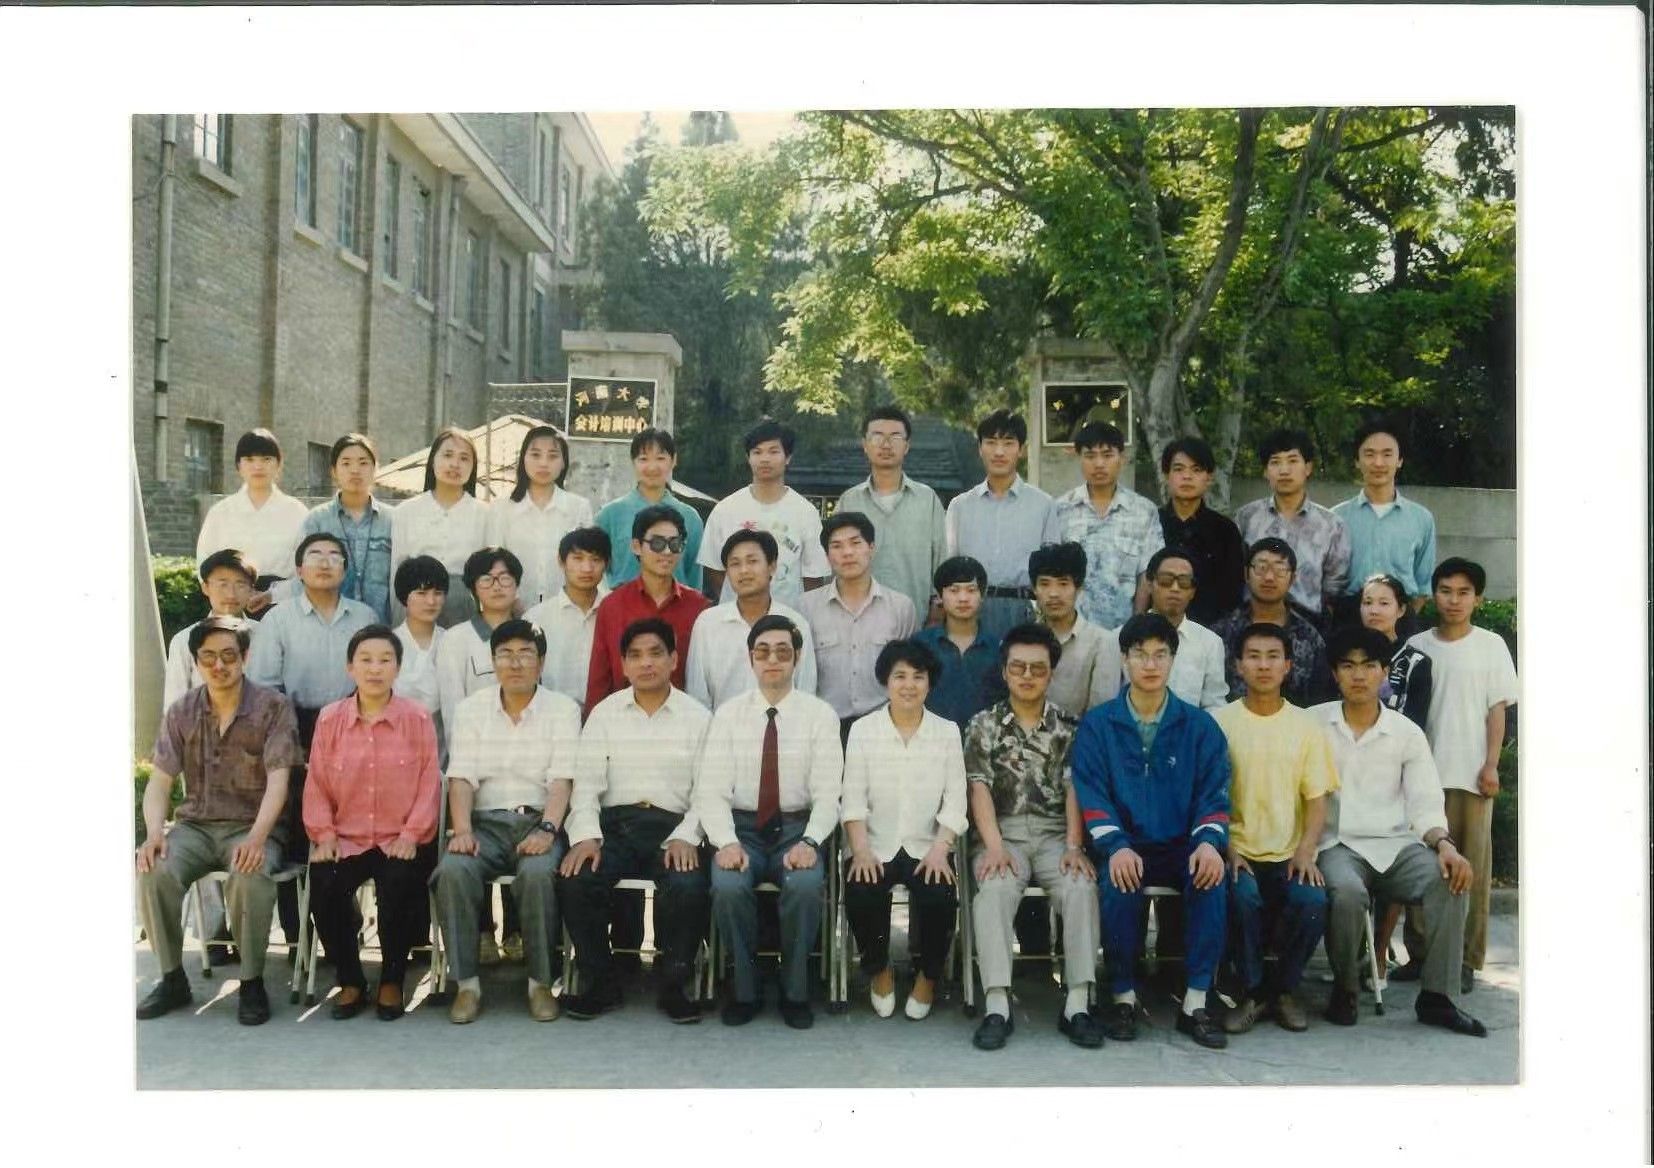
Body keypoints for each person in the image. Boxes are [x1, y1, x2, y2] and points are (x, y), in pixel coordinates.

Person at [1314, 626, 1486, 1036]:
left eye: (1369, 666)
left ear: (1384, 672)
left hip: (1395, 844)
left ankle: (1438, 998)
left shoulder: (1406, 732)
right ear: (1335, 674)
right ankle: (1346, 988)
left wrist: (1444, 844)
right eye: (1348, 666)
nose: (1359, 675)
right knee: (1347, 894)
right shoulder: (1312, 723)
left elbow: (1425, 800)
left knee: (1449, 879)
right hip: (1337, 844)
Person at [1071, 613, 1232, 1050]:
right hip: (1125, 843)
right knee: (1118, 882)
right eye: (1140, 654)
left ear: (1173, 660)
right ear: (1124, 659)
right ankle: (1123, 995)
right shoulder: (1099, 725)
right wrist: (1116, 846)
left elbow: (1214, 793)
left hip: (1183, 843)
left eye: (1161, 654)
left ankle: (1195, 1000)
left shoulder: (1199, 726)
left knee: (1211, 877)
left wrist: (1208, 843)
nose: (1150, 664)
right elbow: (1092, 793)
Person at [136, 617, 302, 1026]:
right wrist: (154, 833)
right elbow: (160, 782)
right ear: (196, 662)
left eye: (229, 655)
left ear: (245, 657)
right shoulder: (182, 711)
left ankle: (251, 981)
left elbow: (279, 783)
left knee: (250, 873)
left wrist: (258, 838)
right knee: (153, 868)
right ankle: (172, 978)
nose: (219, 665)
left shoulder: (273, 707)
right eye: (208, 657)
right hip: (196, 826)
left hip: (252, 825)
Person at [557, 618, 714, 1024]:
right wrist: (586, 836)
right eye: (636, 656)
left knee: (688, 882)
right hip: (616, 829)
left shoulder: (697, 717)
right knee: (577, 877)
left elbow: (709, 791)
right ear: (624, 665)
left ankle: (675, 985)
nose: (646, 663)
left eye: (656, 653)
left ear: (674, 660)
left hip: (672, 829)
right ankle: (600, 983)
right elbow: (586, 786)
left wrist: (687, 836)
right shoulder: (605, 714)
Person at [696, 615, 843, 1029]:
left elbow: (828, 794)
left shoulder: (820, 715)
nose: (772, 660)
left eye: (782, 651)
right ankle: (745, 990)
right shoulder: (728, 715)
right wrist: (725, 841)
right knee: (728, 886)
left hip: (796, 829)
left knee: (806, 884)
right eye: (763, 652)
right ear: (751, 659)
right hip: (741, 829)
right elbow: (711, 790)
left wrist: (810, 842)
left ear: (797, 658)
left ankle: (795, 991)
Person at [963, 623, 1104, 1051]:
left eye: (1038, 669)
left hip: (1055, 834)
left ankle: (1077, 1003)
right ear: (1004, 671)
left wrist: (1075, 846)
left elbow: (1074, 788)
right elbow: (978, 788)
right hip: (1001, 833)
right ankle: (997, 1005)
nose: (1027, 676)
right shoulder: (983, 724)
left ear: (1051, 673)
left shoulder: (1069, 726)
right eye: (1018, 667)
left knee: (1081, 887)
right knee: (994, 889)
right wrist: (993, 846)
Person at [434, 619, 581, 1024]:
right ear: (492, 661)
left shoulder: (563, 709)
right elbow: (461, 776)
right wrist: (462, 830)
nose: (515, 663)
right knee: (453, 870)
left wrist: (548, 830)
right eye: (505, 654)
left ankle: (540, 983)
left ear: (541, 662)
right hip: (483, 823)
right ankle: (466, 984)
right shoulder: (471, 709)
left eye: (525, 654)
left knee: (538, 874)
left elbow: (562, 778)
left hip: (538, 821)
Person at [302, 625, 440, 1021]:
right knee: (324, 883)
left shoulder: (417, 718)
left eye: (385, 660)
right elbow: (317, 783)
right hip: (347, 837)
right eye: (365, 660)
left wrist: (412, 834)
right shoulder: (330, 719)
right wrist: (324, 835)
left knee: (399, 883)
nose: (375, 668)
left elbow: (429, 782)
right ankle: (350, 979)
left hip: (401, 837)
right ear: (350, 668)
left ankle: (392, 977)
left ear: (398, 667)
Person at [245, 532, 377, 946]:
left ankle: (344, 928)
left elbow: (377, 677)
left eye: (334, 556)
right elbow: (265, 687)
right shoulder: (278, 619)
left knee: (348, 828)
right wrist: (290, 743)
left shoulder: (364, 616)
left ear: (346, 569)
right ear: (299, 570)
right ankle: (296, 934)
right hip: (295, 726)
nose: (324, 562)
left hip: (355, 725)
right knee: (298, 831)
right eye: (315, 555)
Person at [1212, 624, 1339, 1035]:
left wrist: (1305, 851)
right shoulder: (1219, 723)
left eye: (1272, 657)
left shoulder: (1305, 726)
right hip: (1238, 850)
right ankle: (1252, 993)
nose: (1263, 665)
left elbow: (1316, 799)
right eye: (1253, 656)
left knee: (1312, 900)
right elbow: (1209, 796)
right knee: (1242, 899)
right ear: (1238, 666)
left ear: (1287, 666)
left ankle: (1283, 990)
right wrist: (1228, 847)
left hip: (1288, 853)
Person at [1404, 558, 1517, 995]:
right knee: (1421, 866)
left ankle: (1466, 959)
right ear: (1434, 595)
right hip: (1422, 776)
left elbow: (1497, 710)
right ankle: (1420, 954)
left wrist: (1491, 765)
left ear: (1478, 599)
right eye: (1446, 591)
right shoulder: (1415, 645)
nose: (1454, 600)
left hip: (1471, 775)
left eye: (1463, 592)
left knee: (1472, 870)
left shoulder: (1490, 646)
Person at [841, 639, 966, 1021]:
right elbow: (852, 798)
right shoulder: (863, 730)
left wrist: (941, 849)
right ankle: (879, 970)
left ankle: (928, 977)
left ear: (930, 682)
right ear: (886, 681)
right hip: (874, 843)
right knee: (861, 888)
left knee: (939, 894)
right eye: (900, 676)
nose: (909, 685)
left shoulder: (947, 732)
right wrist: (861, 850)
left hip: (927, 845)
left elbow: (956, 799)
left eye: (918, 676)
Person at [1359, 572, 1436, 973]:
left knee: (1389, 859)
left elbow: (1414, 723)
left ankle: (1379, 950)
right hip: (1350, 768)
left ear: (1402, 609)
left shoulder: (1416, 662)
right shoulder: (1347, 655)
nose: (1374, 610)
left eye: (1384, 603)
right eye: (1367, 602)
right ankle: (1355, 952)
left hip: (1395, 770)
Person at [796, 511, 916, 738]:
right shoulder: (805, 608)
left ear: (871, 548)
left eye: (855, 543)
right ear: (827, 555)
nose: (847, 553)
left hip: (883, 729)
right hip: (825, 729)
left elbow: (910, 673)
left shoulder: (901, 608)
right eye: (837, 546)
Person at [944, 409, 1061, 639]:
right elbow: (950, 565)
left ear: (1022, 449)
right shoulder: (960, 506)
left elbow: (1051, 569)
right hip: (971, 610)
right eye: (991, 442)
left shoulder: (1043, 505)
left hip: (1026, 610)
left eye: (1008, 443)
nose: (999, 452)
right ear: (980, 448)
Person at [585, 505, 712, 713]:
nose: (667, 552)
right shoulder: (612, 606)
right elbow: (599, 679)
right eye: (658, 543)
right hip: (624, 719)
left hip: (684, 721)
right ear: (636, 546)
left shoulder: (700, 608)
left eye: (675, 544)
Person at [699, 417, 829, 607]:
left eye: (773, 451)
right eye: (757, 452)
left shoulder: (805, 512)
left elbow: (813, 577)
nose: (765, 459)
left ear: (788, 457)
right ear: (748, 457)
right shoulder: (725, 510)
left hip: (787, 619)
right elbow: (714, 569)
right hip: (735, 617)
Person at [834, 405, 947, 621]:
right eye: (877, 436)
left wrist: (935, 615)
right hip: (857, 621)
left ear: (907, 446)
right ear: (865, 445)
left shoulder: (927, 500)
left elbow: (941, 562)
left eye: (895, 437)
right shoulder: (849, 501)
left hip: (916, 622)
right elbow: (836, 563)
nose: (886, 444)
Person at [685, 530, 817, 711]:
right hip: (723, 727)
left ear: (772, 566)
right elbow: (697, 695)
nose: (744, 570)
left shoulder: (795, 624)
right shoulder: (708, 624)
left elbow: (806, 692)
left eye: (752, 561)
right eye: (735, 564)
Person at [1053, 421, 1163, 630]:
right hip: (1069, 629)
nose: (1099, 464)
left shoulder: (1144, 511)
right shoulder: (1060, 509)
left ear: (1122, 458)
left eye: (1107, 455)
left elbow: (1147, 574)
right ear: (1079, 458)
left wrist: (1136, 626)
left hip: (1122, 630)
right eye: (1090, 456)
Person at [1232, 428, 1351, 622]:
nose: (1284, 470)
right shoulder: (1246, 517)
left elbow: (1335, 587)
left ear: (1308, 468)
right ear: (1265, 471)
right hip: (1252, 623)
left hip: (1310, 624)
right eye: (1275, 462)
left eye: (1293, 461)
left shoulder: (1331, 525)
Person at [195, 428, 309, 616]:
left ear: (279, 464)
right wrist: (233, 594)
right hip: (231, 605)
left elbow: (307, 568)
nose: (258, 466)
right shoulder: (220, 512)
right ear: (238, 466)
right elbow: (203, 562)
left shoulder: (297, 512)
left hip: (283, 607)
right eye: (249, 459)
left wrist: (272, 595)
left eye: (266, 459)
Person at [1331, 420, 1436, 623]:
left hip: (1401, 617)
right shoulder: (1336, 518)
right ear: (1357, 461)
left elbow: (1424, 583)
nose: (1378, 463)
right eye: (1369, 454)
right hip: (1349, 617)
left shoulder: (1422, 519)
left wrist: (1404, 617)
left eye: (1387, 454)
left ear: (1400, 460)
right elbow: (1328, 583)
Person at [1211, 538, 1336, 706]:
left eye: (1280, 570)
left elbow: (1320, 701)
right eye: (1261, 568)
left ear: (1292, 579)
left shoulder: (1310, 638)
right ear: (1246, 574)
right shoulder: (1220, 634)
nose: (1269, 577)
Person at [389, 426, 489, 627]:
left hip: (465, 606)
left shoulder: (486, 514)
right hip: (416, 604)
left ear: (473, 467)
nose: (455, 464)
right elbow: (396, 572)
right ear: (432, 460)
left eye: (464, 458)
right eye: (448, 455)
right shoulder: (405, 511)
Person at [487, 425, 595, 609]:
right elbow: (494, 563)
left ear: (563, 462)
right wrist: (512, 601)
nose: (544, 463)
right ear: (523, 459)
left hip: (567, 607)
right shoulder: (501, 508)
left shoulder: (579, 507)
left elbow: (588, 560)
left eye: (553, 456)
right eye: (536, 455)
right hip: (513, 609)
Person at [298, 433, 395, 622]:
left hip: (381, 627)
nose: (355, 470)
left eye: (363, 463)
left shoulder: (393, 520)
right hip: (328, 624)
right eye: (346, 463)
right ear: (334, 471)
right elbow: (302, 576)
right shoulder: (317, 520)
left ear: (376, 469)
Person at [593, 427, 705, 590]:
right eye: (643, 459)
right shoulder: (609, 515)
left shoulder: (690, 517)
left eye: (660, 458)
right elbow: (597, 569)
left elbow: (694, 577)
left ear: (673, 460)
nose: (652, 467)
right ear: (633, 462)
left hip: (674, 604)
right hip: (623, 603)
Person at [435, 547, 526, 740]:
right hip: (478, 749)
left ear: (516, 584)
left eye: (504, 578)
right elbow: (453, 715)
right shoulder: (454, 640)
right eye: (486, 579)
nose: (497, 587)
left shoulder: (532, 634)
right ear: (473, 589)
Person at [1157, 436, 1245, 626]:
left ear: (1209, 478)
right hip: (1155, 630)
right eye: (1179, 469)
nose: (1187, 477)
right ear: (1166, 475)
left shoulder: (1225, 531)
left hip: (1210, 632)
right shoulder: (1151, 523)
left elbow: (1233, 592)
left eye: (1196, 470)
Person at [521, 526, 612, 707]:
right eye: (578, 558)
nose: (587, 568)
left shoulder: (617, 611)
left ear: (607, 564)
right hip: (554, 714)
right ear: (561, 561)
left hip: (609, 713)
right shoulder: (536, 618)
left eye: (596, 559)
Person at [1029, 541, 1121, 719]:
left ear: (1078, 588)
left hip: (1080, 734)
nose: (1053, 593)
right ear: (1034, 589)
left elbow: (1100, 714)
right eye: (1045, 584)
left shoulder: (1103, 642)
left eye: (1063, 584)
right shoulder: (1024, 639)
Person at [914, 556, 1007, 729]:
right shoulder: (920, 645)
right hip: (933, 738)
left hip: (984, 739)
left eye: (971, 590)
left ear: (982, 595)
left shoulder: (999, 648)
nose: (963, 598)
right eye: (954, 590)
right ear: (939, 596)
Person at [163, 547, 258, 711]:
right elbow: (174, 705)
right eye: (223, 584)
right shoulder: (184, 640)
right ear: (205, 587)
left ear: (251, 590)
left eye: (240, 584)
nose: (231, 594)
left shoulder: (267, 635)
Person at [1145, 546, 1229, 709]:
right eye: (1166, 580)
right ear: (1149, 584)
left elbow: (1214, 705)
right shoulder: (1119, 637)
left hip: (1191, 726)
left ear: (1192, 592)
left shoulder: (1210, 643)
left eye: (1184, 582)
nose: (1175, 588)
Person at [389, 555, 449, 737]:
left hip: (442, 741)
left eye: (438, 593)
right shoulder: (389, 644)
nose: (431, 601)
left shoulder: (451, 642)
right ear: (404, 597)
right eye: (422, 593)